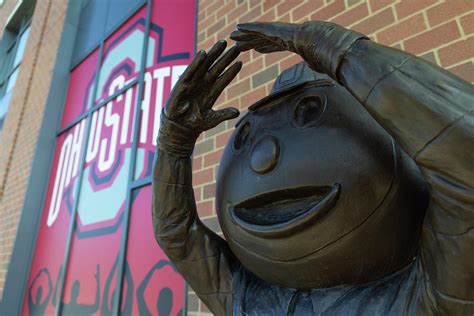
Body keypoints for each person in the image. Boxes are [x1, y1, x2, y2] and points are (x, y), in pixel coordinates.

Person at [153, 21, 473, 315]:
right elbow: (176, 235)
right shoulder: (245, 298)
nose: (263, 158)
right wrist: (174, 144)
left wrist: (338, 49)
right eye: (248, 136)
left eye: (310, 114)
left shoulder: (423, 296)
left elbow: (464, 161)